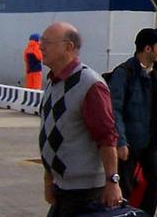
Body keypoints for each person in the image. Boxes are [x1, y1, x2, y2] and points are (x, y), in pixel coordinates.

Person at [38, 22, 122, 216]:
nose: (41, 47)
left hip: (85, 192)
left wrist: (112, 182)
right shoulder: (53, 82)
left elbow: (107, 137)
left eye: (47, 42)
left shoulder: (89, 84)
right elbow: (51, 134)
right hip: (63, 187)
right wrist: (49, 179)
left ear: (68, 47)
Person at [108, 28, 157, 217]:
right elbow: (114, 109)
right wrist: (121, 141)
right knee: (125, 189)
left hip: (149, 143)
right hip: (129, 143)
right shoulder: (124, 73)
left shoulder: (154, 74)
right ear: (148, 48)